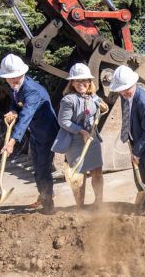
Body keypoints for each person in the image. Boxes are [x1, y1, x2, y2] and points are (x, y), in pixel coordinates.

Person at [0, 54, 59, 214]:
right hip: (35, 132)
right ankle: (44, 194)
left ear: (22, 73)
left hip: (46, 133)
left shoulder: (32, 91)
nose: (12, 81)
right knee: (38, 167)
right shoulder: (17, 86)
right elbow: (16, 100)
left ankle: (48, 205)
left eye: (15, 77)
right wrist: (12, 110)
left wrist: (11, 142)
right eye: (9, 78)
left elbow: (25, 116)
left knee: (42, 168)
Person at [52, 63, 108, 208]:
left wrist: (103, 106)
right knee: (79, 174)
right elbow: (63, 121)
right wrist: (81, 131)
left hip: (92, 139)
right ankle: (80, 207)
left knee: (97, 171)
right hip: (75, 141)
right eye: (77, 81)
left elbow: (103, 107)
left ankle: (99, 203)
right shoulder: (68, 100)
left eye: (84, 80)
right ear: (72, 82)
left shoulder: (93, 96)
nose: (81, 84)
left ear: (90, 82)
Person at [110, 65, 145, 209]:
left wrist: (137, 152)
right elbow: (127, 117)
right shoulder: (124, 96)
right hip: (136, 141)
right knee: (140, 175)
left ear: (134, 83)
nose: (123, 92)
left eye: (126, 89)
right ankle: (143, 201)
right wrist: (129, 137)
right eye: (120, 90)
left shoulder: (144, 102)